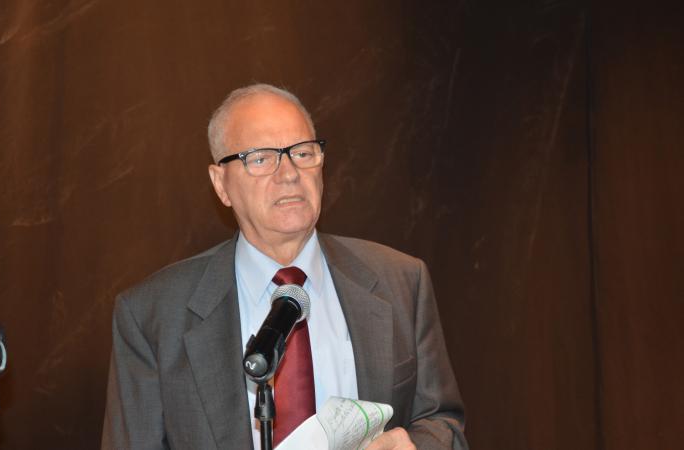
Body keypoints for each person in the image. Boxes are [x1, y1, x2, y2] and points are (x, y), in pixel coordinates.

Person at [102, 84, 468, 450]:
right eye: (261, 158)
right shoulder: (153, 315)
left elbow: (443, 422)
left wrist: (415, 447)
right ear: (221, 184)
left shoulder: (400, 281)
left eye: (303, 153)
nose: (290, 173)